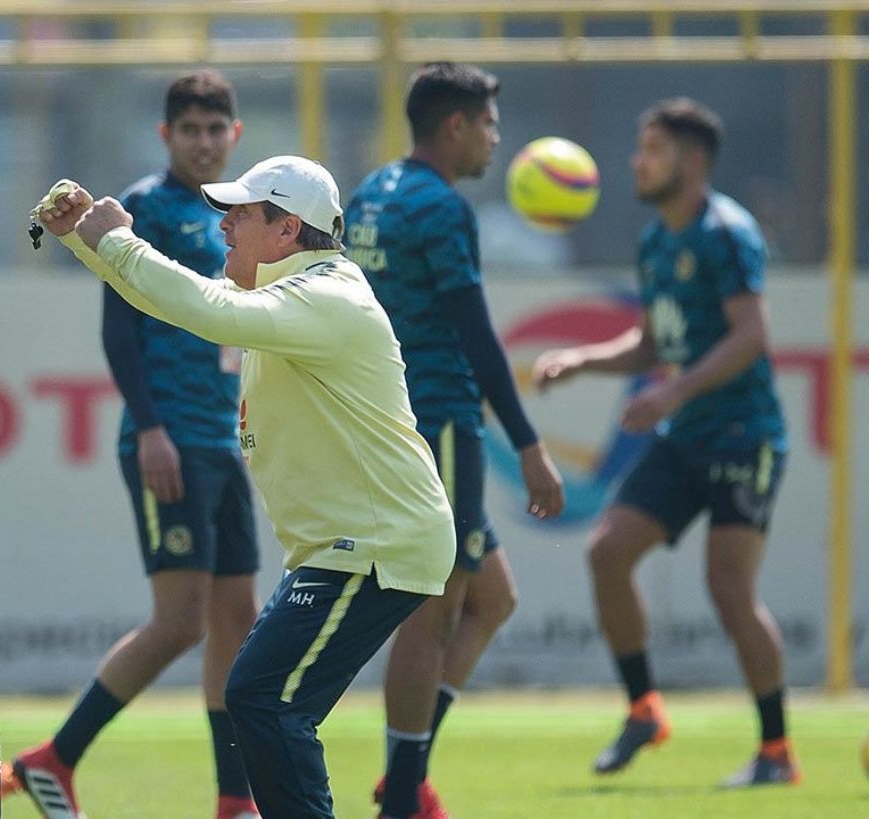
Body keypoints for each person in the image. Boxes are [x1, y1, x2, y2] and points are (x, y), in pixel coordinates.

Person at [31, 155, 455, 819]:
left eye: (241, 214)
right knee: (262, 700)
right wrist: (90, 241)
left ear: (288, 229)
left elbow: (203, 307)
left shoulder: (325, 296)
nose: (223, 225)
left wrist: (116, 240)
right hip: (348, 546)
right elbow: (178, 304)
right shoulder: (296, 292)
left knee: (264, 700)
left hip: (375, 545)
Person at [7, 70, 260, 819]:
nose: (204, 142)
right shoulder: (144, 206)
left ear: (235, 135)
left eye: (215, 130)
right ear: (166, 135)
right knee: (180, 621)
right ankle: (53, 759)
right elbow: (119, 331)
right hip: (169, 435)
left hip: (220, 436)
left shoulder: (237, 214)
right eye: (190, 130)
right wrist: (150, 428)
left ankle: (234, 797)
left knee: (236, 622)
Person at [532, 98, 796, 787]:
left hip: (743, 435)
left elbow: (751, 336)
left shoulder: (725, 232)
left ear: (693, 160)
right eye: (640, 147)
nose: (637, 161)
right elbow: (652, 343)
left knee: (728, 589)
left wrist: (673, 394)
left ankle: (776, 751)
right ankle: (644, 708)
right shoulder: (656, 240)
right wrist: (583, 361)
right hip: (686, 436)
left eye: (653, 149)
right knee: (608, 552)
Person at [342, 61, 564, 818]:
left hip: (395, 417)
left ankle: (406, 772)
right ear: (456, 125)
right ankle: (404, 795)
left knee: (492, 597)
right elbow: (474, 331)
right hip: (436, 420)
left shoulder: (372, 192)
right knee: (433, 608)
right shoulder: (440, 206)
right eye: (489, 125)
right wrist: (528, 443)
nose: (496, 139)